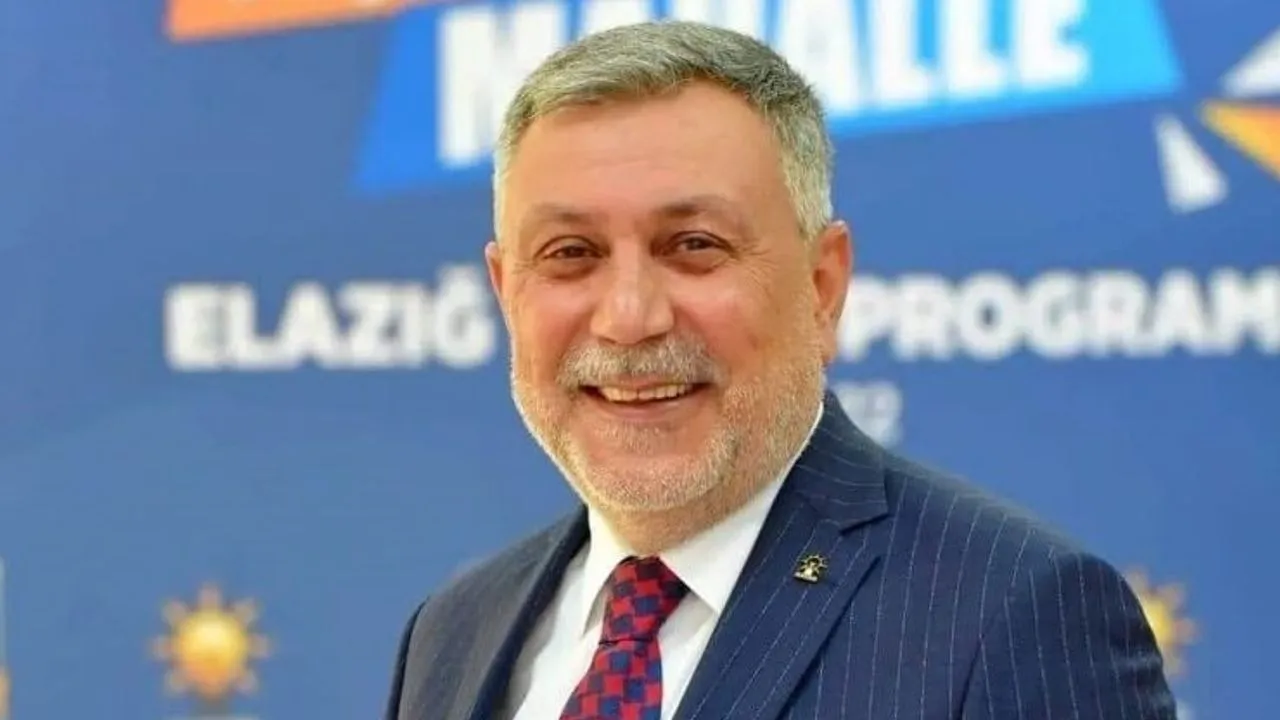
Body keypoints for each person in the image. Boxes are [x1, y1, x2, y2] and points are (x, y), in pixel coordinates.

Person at [384, 20, 1175, 720]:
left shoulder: (1015, 615)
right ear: (506, 291)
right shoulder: (454, 632)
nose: (628, 316)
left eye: (694, 245)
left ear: (822, 286)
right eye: (571, 253)